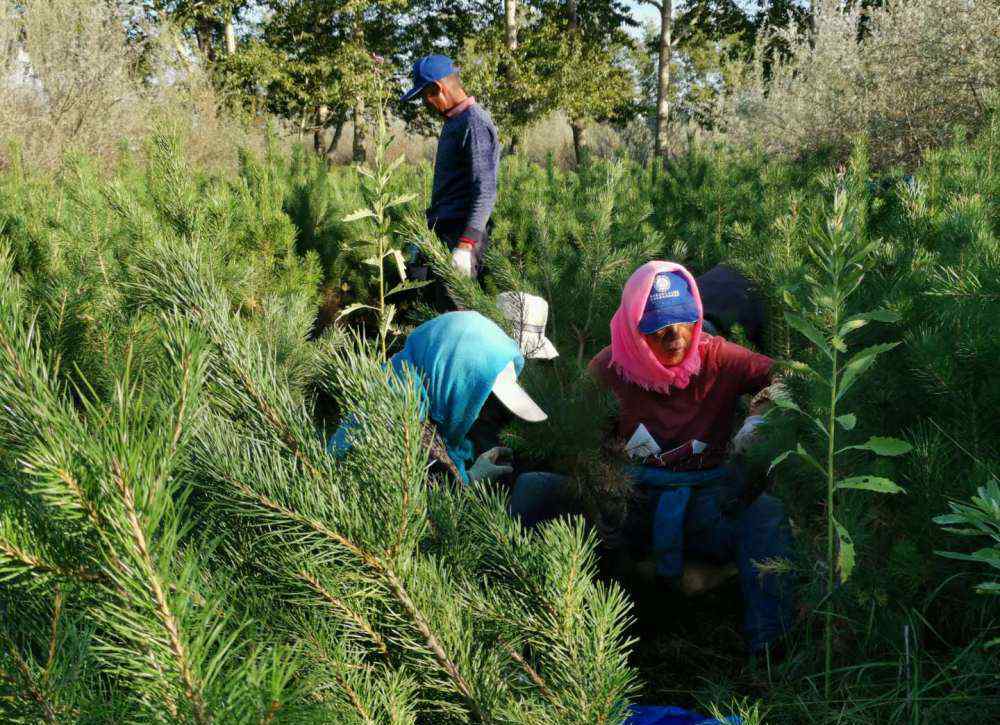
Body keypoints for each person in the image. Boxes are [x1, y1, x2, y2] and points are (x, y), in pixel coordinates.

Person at [510, 261, 793, 656]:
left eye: (684, 321)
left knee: (765, 514)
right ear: (632, 328)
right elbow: (570, 429)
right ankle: (520, 632)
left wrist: (760, 415)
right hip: (629, 501)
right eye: (658, 326)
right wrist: (597, 468)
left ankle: (771, 654)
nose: (675, 336)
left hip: (704, 502)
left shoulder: (717, 357)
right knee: (534, 490)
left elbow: (789, 376)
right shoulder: (611, 367)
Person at [329, 311, 546, 485]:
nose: (478, 411)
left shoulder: (403, 385)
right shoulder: (400, 423)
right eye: (478, 397)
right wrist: (469, 482)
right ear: (452, 377)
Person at [400, 54, 500, 298]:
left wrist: (466, 246)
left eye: (425, 97)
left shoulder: (473, 123)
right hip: (444, 232)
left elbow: (485, 190)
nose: (426, 104)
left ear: (438, 89)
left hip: (460, 236)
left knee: (455, 316)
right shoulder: (456, 121)